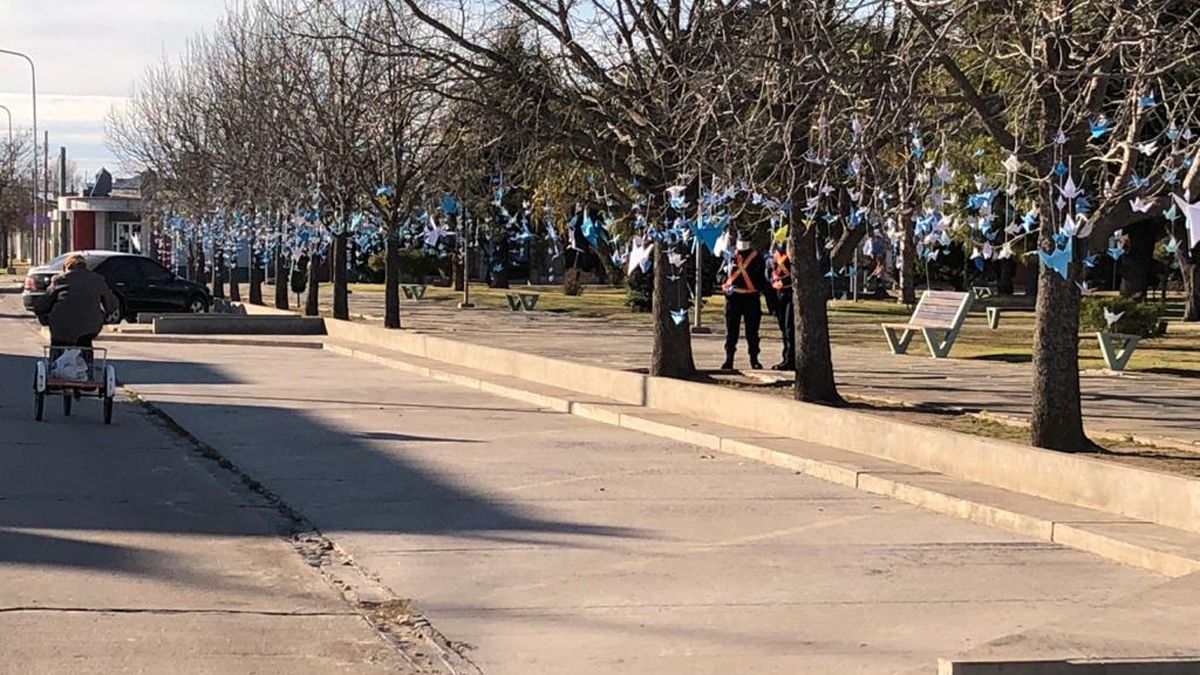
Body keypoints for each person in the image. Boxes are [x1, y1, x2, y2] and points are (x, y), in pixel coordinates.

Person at [35, 253, 119, 361]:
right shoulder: (97, 280)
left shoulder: (59, 280)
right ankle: (88, 368)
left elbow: (42, 304)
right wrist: (106, 314)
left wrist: (45, 318)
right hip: (89, 326)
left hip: (61, 327)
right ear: (85, 267)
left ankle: (56, 367)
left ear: (66, 267)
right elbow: (112, 304)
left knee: (58, 344)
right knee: (85, 342)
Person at [721, 231, 765, 370]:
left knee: (752, 332)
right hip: (733, 297)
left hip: (750, 298)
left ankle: (754, 359)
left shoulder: (756, 257)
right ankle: (729, 359)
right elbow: (720, 274)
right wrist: (725, 280)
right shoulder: (730, 256)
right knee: (731, 331)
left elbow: (761, 279)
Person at [764, 242, 794, 371]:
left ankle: (790, 358)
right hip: (777, 295)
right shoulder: (771, 259)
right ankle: (786, 356)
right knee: (783, 327)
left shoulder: (792, 258)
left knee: (789, 328)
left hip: (790, 293)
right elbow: (768, 277)